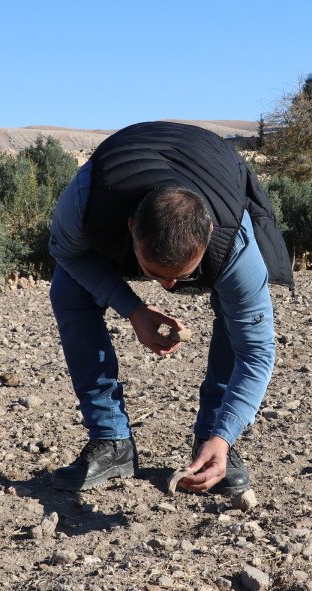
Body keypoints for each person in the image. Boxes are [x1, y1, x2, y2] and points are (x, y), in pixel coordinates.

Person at [47, 121, 293, 494]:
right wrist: (132, 308)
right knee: (68, 290)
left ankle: (212, 442)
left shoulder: (233, 241)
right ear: (131, 229)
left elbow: (257, 351)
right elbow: (64, 252)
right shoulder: (84, 204)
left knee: (234, 308)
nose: (168, 287)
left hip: (216, 168)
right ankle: (111, 441)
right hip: (119, 169)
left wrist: (225, 435)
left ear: (208, 233)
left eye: (182, 276)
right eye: (155, 273)